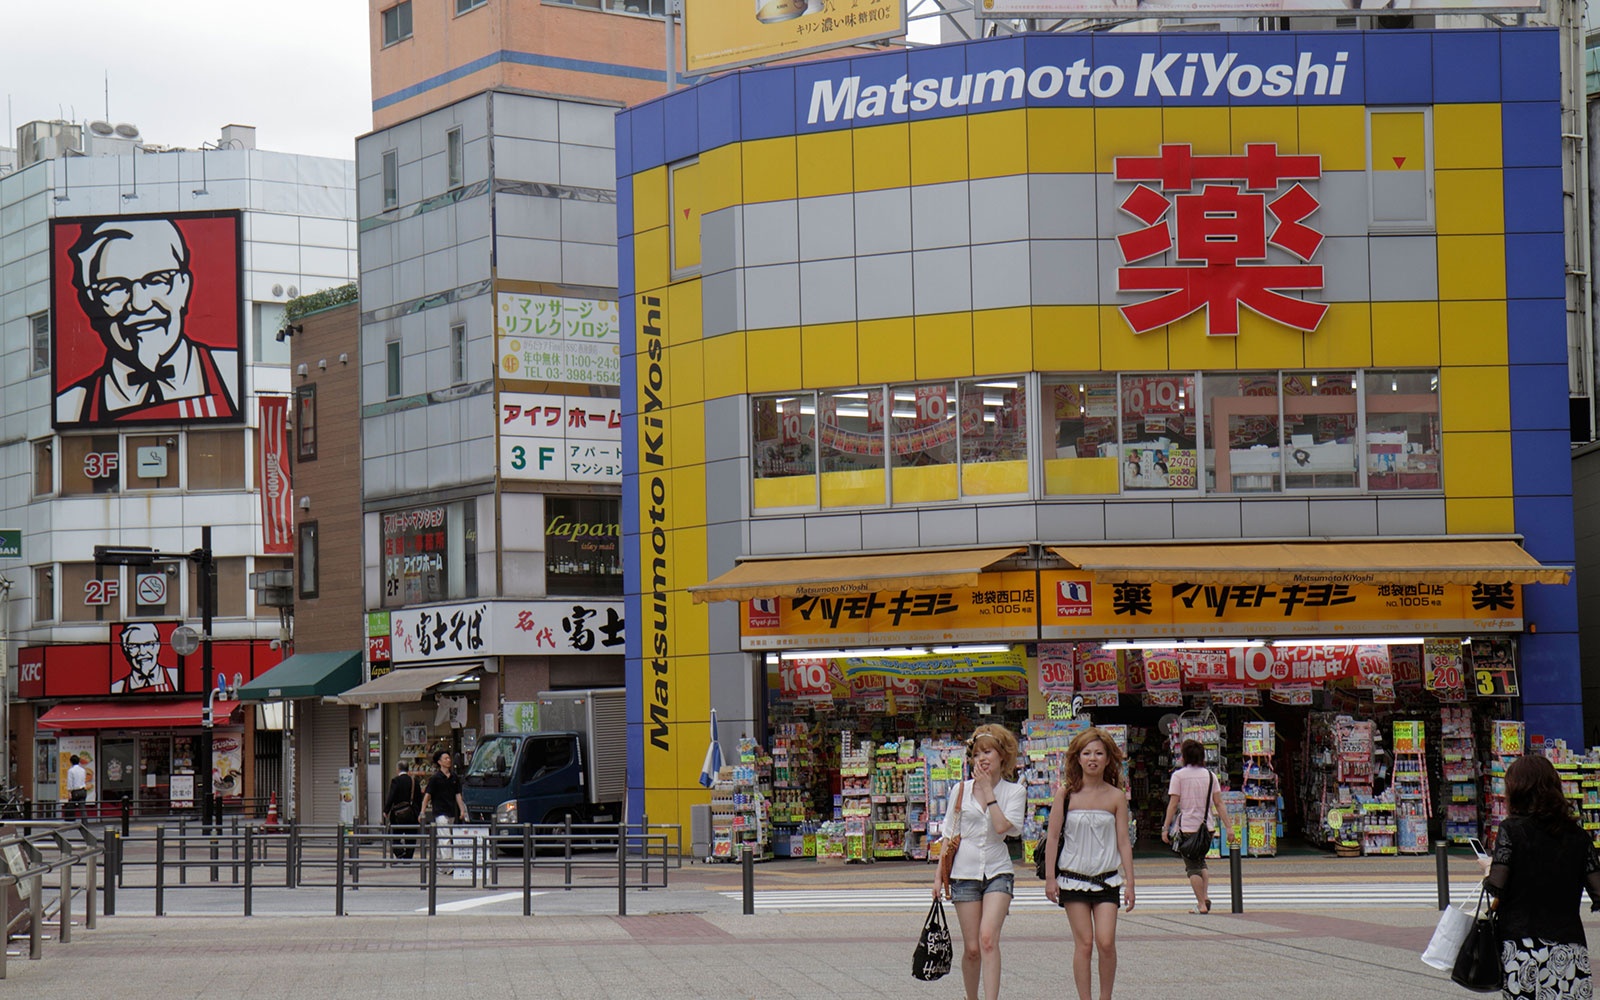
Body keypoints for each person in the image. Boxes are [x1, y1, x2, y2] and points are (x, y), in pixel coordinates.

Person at [56, 218, 240, 425]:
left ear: (184, 286)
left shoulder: (234, 377)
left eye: (157, 280)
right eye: (114, 287)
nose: (140, 304)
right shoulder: (71, 407)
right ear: (89, 303)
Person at [1481, 754, 1600, 999]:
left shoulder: (1512, 830)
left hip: (1522, 947)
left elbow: (1496, 886)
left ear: (1518, 791)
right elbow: (1598, 891)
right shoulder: (1578, 837)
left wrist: (1487, 869)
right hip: (1569, 947)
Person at [931, 724, 1025, 1000]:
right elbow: (948, 834)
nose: (982, 758)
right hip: (963, 873)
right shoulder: (959, 790)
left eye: (989, 752)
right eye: (977, 753)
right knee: (972, 948)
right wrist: (939, 876)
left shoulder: (1014, 792)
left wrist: (989, 793)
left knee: (987, 939)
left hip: (998, 871)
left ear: (1002, 757)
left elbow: (1004, 828)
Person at [1043, 726, 1135, 1000]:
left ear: (1108, 759)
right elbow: (1053, 836)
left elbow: (1123, 841)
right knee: (1084, 944)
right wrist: (1050, 877)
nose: (1092, 758)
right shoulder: (1066, 794)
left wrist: (1130, 881)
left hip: (1107, 878)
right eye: (1086, 753)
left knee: (1105, 942)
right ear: (1077, 758)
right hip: (1073, 878)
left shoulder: (1116, 796)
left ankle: (1105, 997)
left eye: (1098, 753)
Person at [1160, 738, 1234, 914]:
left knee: (1192, 867)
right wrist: (1229, 827)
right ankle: (1205, 896)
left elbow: (1173, 803)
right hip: (1207, 827)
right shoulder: (1210, 776)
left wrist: (1165, 827)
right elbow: (1219, 803)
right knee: (1201, 863)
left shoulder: (1178, 776)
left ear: (1184, 756)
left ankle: (1201, 903)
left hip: (1188, 828)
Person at [420, 750, 469, 871]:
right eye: (446, 758)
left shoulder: (454, 777)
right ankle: (449, 866)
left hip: (451, 811)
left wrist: (462, 810)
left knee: (443, 838)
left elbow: (458, 795)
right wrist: (422, 811)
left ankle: (439, 865)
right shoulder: (435, 778)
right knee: (445, 838)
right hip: (439, 812)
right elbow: (427, 795)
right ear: (439, 762)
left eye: (449, 758)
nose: (449, 760)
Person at [113, 621, 179, 693]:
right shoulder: (116, 688)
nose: (142, 652)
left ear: (158, 646)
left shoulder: (176, 677)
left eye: (148, 644)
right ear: (125, 650)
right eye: (134, 646)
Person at [384, 762, 422, 860]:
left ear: (398, 769)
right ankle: (408, 857)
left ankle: (400, 853)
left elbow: (391, 797)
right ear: (408, 769)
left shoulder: (396, 781)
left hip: (398, 814)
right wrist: (420, 812)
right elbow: (419, 798)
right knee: (411, 836)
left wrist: (386, 810)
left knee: (393, 835)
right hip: (412, 813)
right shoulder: (414, 781)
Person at [66, 754, 89, 820]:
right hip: (83, 790)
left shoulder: (71, 771)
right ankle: (85, 823)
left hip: (75, 791)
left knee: (71, 806)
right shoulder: (83, 770)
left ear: (71, 762)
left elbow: (70, 782)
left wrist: (69, 792)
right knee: (82, 808)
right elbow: (84, 779)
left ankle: (70, 821)